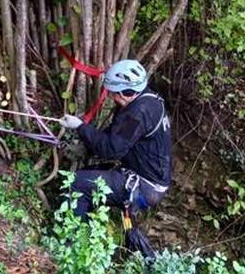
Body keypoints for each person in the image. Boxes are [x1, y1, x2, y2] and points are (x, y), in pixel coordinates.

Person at [60, 59, 171, 260]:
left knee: (77, 183)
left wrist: (80, 127)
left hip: (144, 187)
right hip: (147, 180)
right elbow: (115, 136)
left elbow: (111, 150)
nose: (111, 97)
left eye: (114, 93)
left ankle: (73, 248)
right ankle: (90, 240)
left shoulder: (138, 114)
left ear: (127, 93)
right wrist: (84, 146)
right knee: (88, 176)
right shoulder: (148, 100)